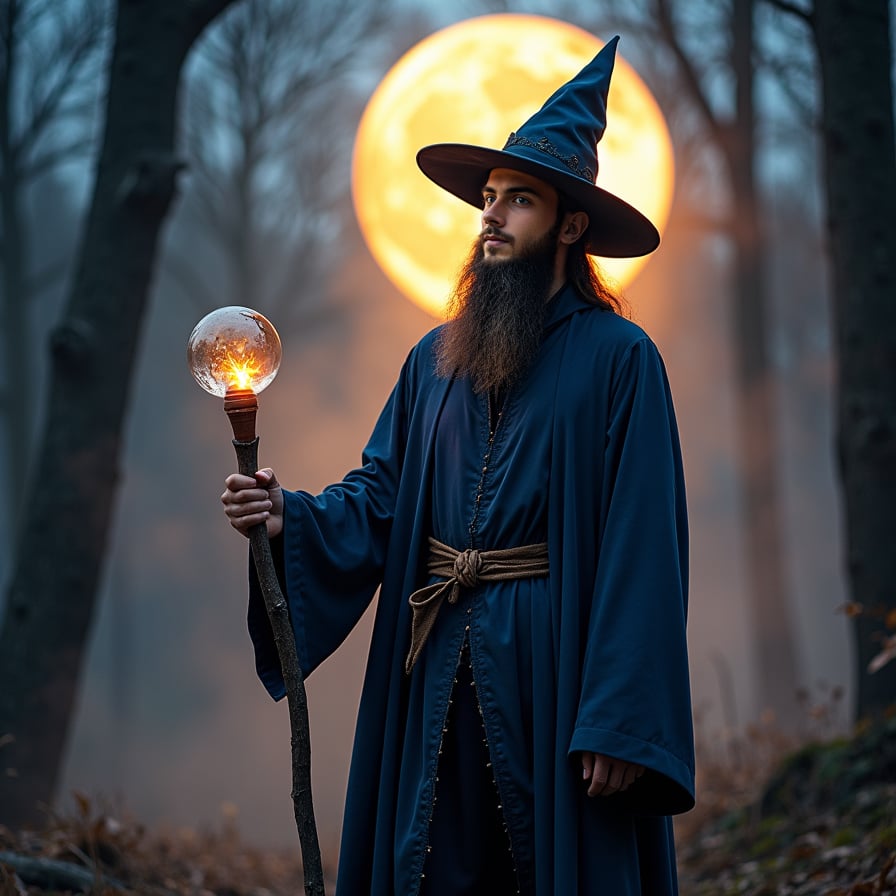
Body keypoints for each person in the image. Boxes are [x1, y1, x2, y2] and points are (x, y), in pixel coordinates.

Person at [222, 36, 695, 895]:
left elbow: (644, 546)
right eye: (488, 198)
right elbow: (384, 495)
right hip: (435, 663)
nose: (492, 215)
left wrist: (620, 722)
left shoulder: (621, 359)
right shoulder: (433, 362)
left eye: (519, 200)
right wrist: (293, 514)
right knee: (427, 866)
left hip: (553, 671)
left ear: (572, 223)